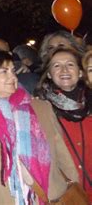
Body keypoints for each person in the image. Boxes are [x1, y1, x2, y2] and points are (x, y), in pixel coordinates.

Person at [0, 48, 78, 204]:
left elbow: (63, 157)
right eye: (3, 72)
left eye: (13, 70)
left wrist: (74, 186)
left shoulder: (42, 108)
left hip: (52, 198)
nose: (12, 77)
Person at [35, 47, 91, 198]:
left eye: (70, 64)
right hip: (69, 195)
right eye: (57, 65)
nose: (64, 69)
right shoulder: (39, 110)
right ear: (49, 74)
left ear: (80, 72)